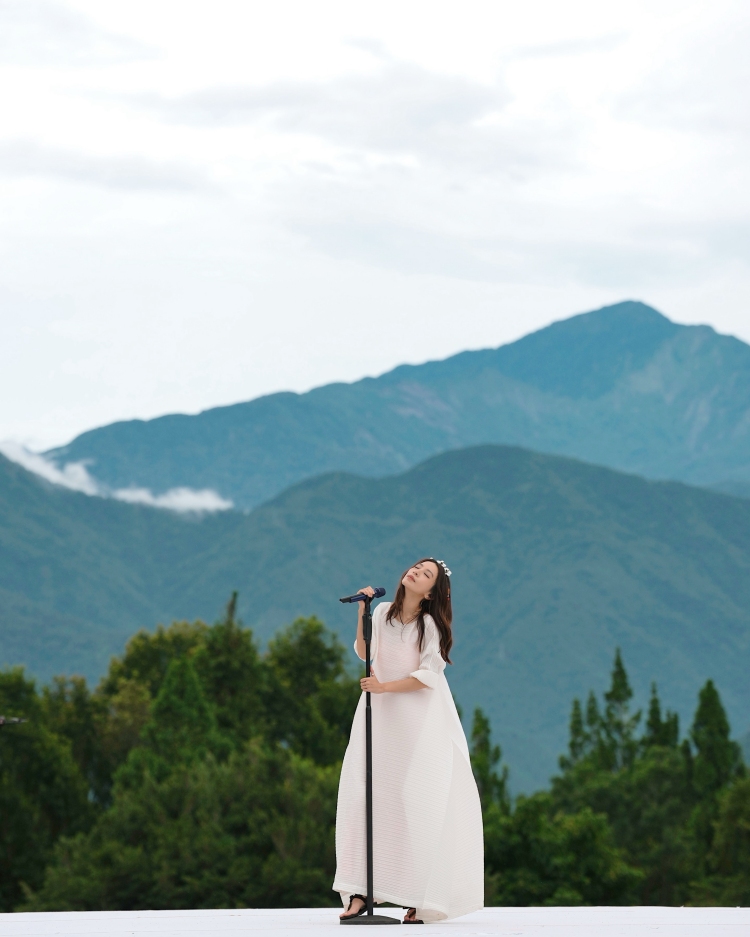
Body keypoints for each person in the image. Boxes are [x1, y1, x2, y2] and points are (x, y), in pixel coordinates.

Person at [334, 558, 484, 924]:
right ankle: (358, 892)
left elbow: (427, 676)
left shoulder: (428, 625)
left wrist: (384, 687)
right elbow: (364, 652)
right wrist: (363, 610)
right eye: (417, 567)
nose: (416, 571)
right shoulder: (381, 611)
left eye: (426, 574)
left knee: (415, 802)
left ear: (431, 592)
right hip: (378, 715)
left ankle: (420, 897)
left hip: (416, 721)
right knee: (364, 795)